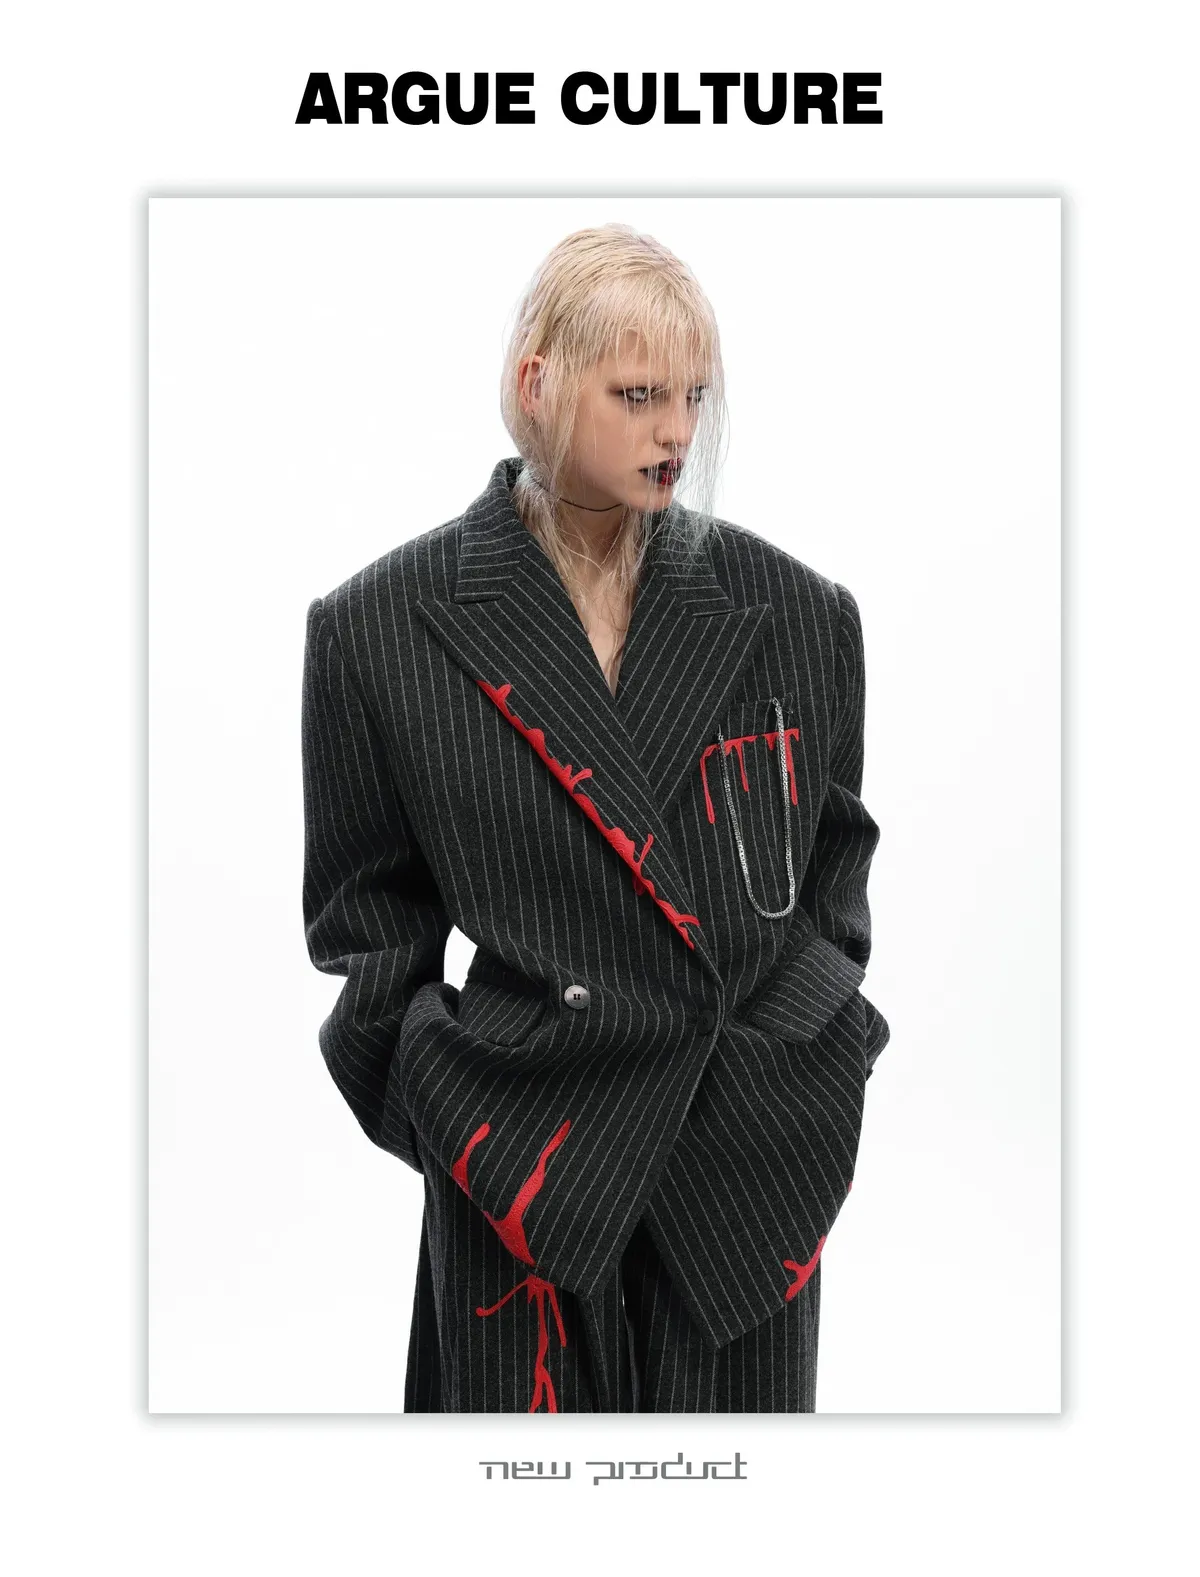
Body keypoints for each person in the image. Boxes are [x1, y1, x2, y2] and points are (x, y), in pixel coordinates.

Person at [300, 222, 890, 1412]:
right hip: (523, 1165)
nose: (676, 431)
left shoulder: (798, 612)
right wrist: (455, 1119)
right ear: (537, 383)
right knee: (513, 1492)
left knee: (736, 1494)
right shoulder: (379, 626)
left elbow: (834, 884)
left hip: (745, 1170)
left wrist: (808, 1070)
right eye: (637, 395)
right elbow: (368, 930)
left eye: (693, 397)